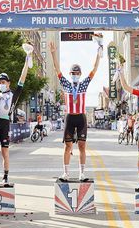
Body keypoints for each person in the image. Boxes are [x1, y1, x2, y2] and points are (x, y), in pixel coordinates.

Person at [49, 41, 101, 181]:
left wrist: (98, 53)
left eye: (77, 73)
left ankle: (82, 173)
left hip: (81, 118)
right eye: (73, 73)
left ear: (80, 74)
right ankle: (66, 173)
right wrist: (53, 53)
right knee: (68, 147)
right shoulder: (66, 83)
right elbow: (56, 69)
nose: (75, 75)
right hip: (70, 118)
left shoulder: (84, 83)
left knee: (82, 146)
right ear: (70, 73)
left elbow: (94, 69)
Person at [0, 54, 30, 186]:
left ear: (8, 83)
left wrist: (27, 59)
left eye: (3, 82)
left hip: (5, 123)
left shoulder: (13, 94)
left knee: (5, 151)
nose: (1, 84)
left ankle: (5, 177)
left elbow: (22, 78)